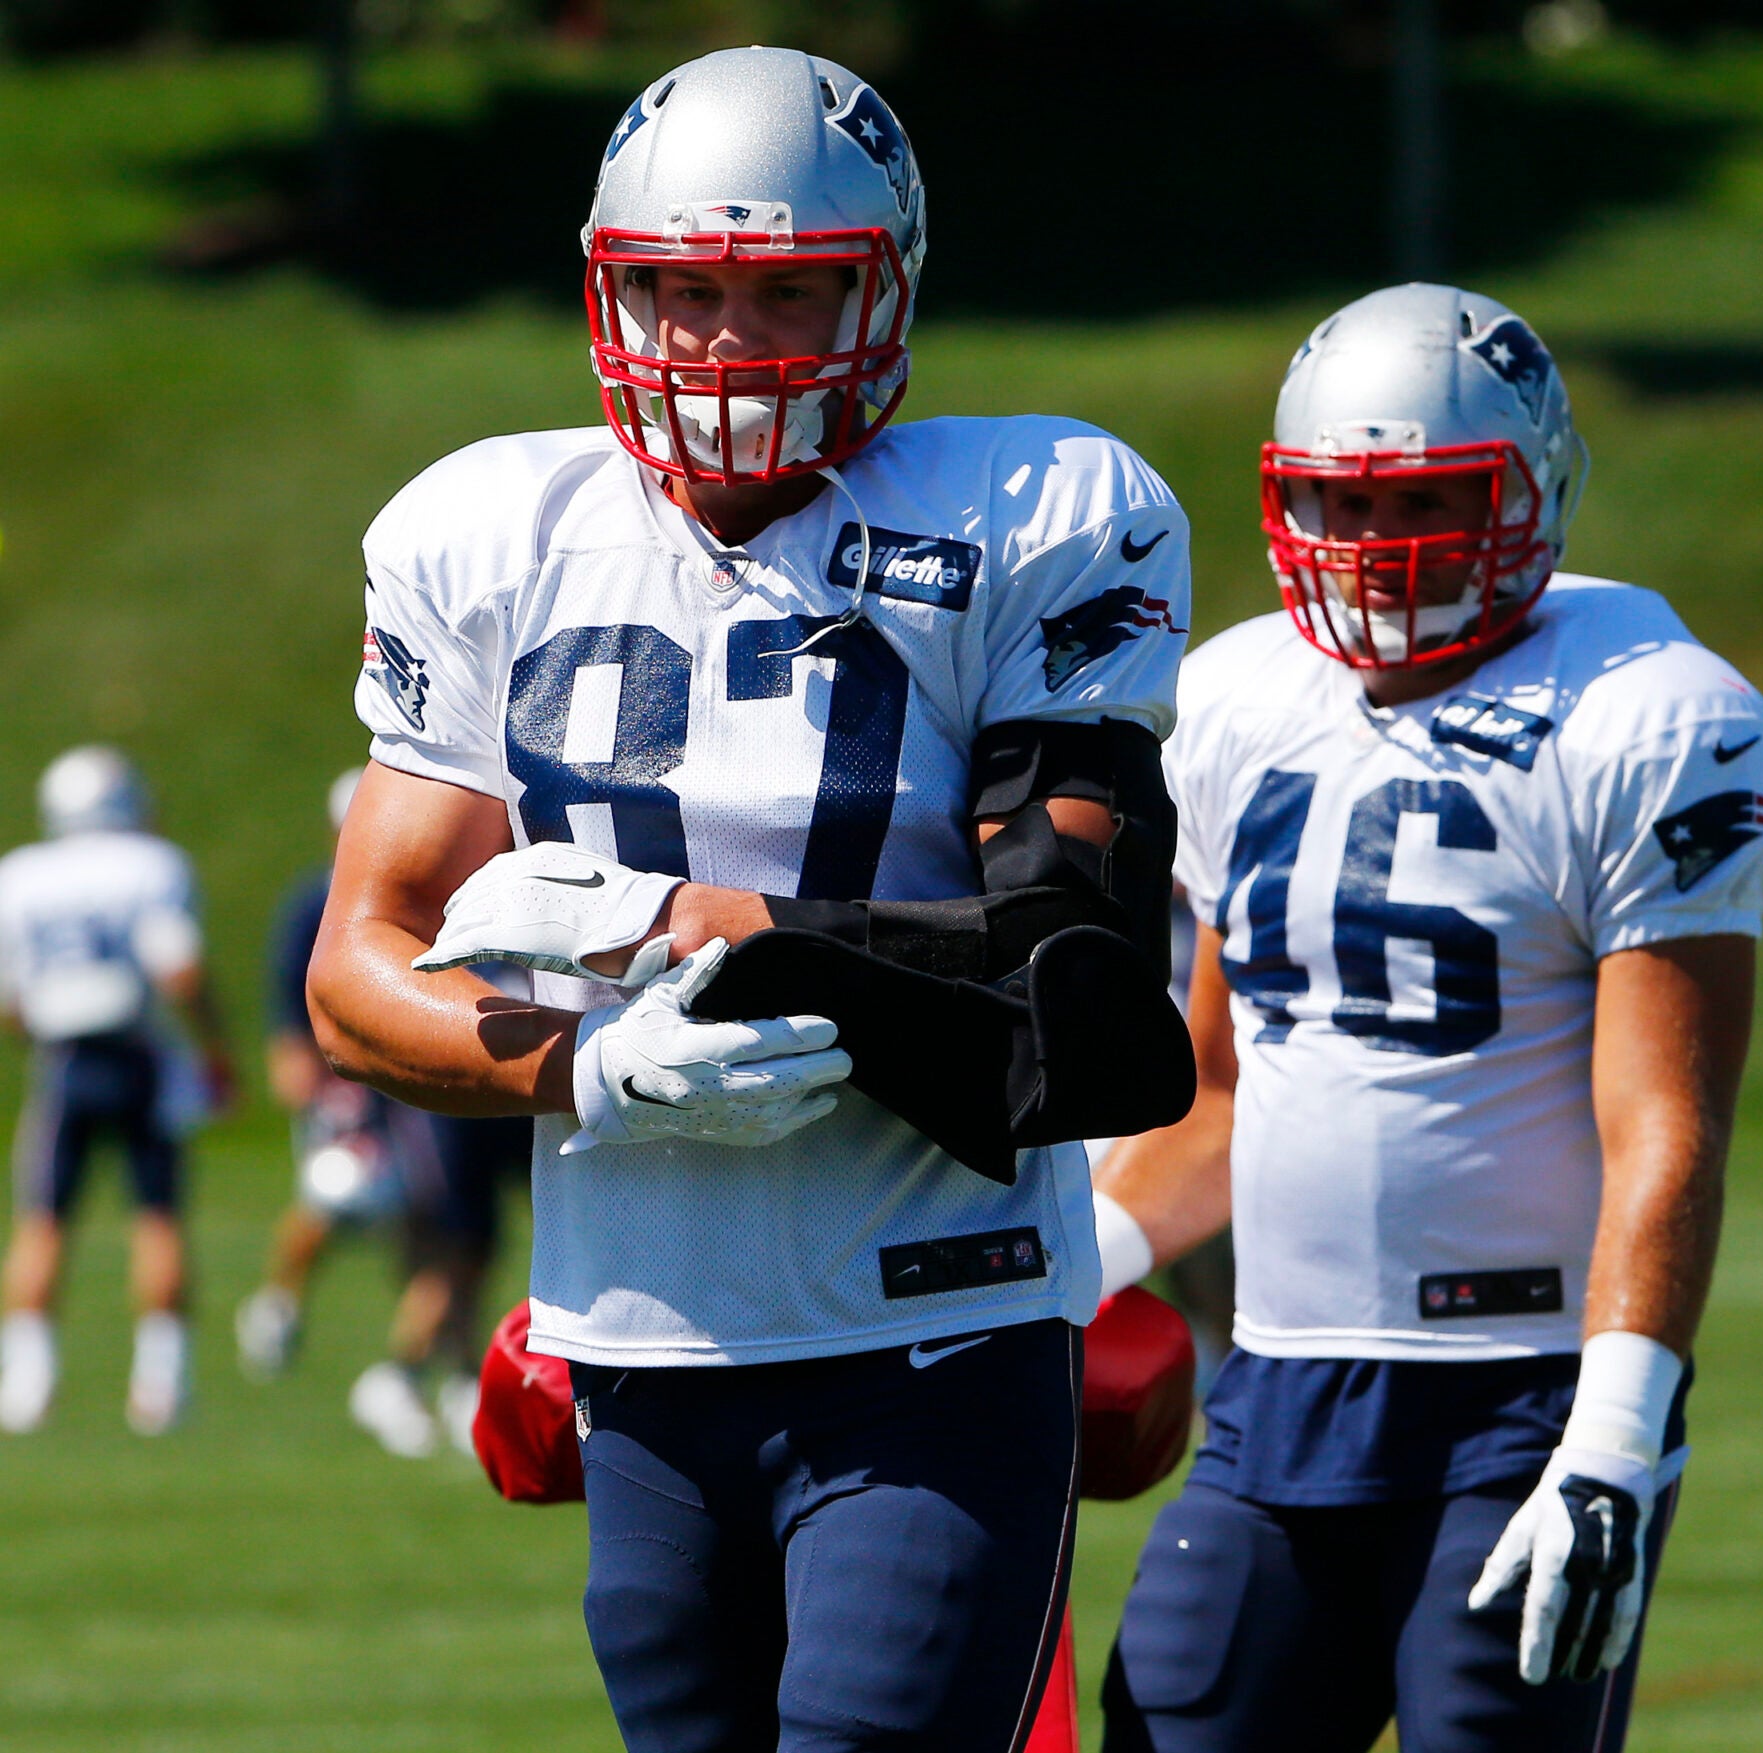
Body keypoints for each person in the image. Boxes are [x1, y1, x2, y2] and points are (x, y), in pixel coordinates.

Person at [304, 46, 1190, 1750]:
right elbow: (361, 969)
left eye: (789, 286)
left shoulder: (1034, 513)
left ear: (890, 286)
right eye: (684, 289)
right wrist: (584, 1070)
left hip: (937, 1325)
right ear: (607, 288)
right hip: (641, 1348)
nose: (728, 341)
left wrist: (709, 937)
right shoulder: (487, 529)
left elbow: (1074, 1013)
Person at [1088, 283, 1763, 1751]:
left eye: (1429, 504)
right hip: (1279, 1384)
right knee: (1169, 1719)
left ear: (1535, 494)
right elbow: (1211, 1094)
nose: (1377, 551)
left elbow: (1663, 1118)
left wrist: (1614, 1433)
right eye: (1339, 505)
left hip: (1526, 1396)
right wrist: (1059, 1279)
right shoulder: (1234, 699)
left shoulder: (1651, 716)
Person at [236, 769, 533, 1458]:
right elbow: (320, 995)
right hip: (416, 1084)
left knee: (471, 1238)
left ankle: (455, 1373)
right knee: (412, 1222)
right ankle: (387, 1360)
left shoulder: (471, 875)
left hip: (493, 1077)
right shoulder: (329, 898)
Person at [0, 746, 232, 1436]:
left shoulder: (22, 874)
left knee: (43, 1218)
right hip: (138, 1053)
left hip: (65, 1057)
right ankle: (160, 1384)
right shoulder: (152, 865)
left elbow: (9, 998)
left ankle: (29, 1379)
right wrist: (215, 1050)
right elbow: (181, 969)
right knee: (157, 1214)